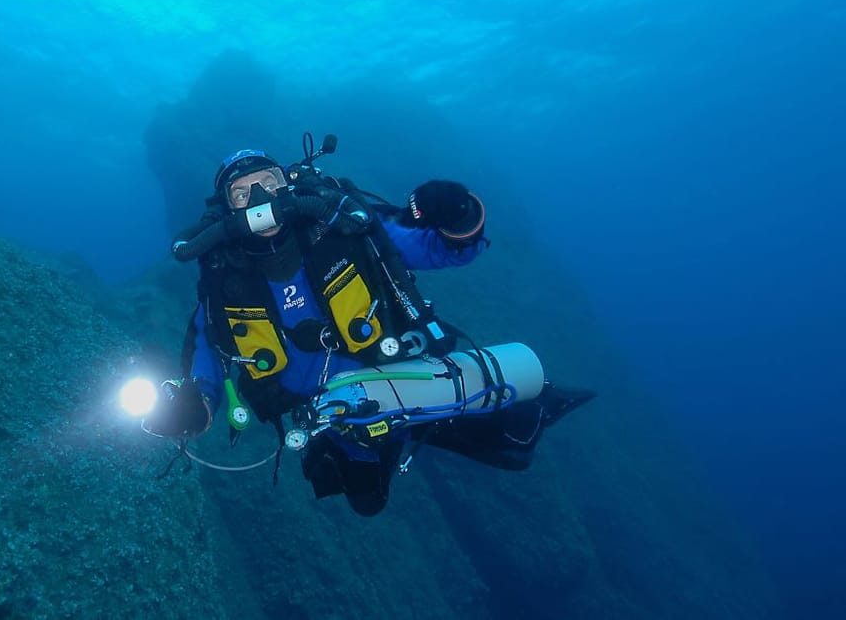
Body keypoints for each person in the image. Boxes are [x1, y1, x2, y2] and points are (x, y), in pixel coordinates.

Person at [145, 135, 593, 516]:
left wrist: (455, 212)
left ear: (289, 183)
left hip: (399, 376)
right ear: (224, 212)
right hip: (332, 418)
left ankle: (525, 404)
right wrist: (190, 409)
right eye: (242, 194)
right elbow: (207, 362)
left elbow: (448, 250)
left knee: (513, 448)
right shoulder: (224, 282)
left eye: (268, 183)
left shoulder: (345, 233)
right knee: (366, 501)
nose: (260, 200)